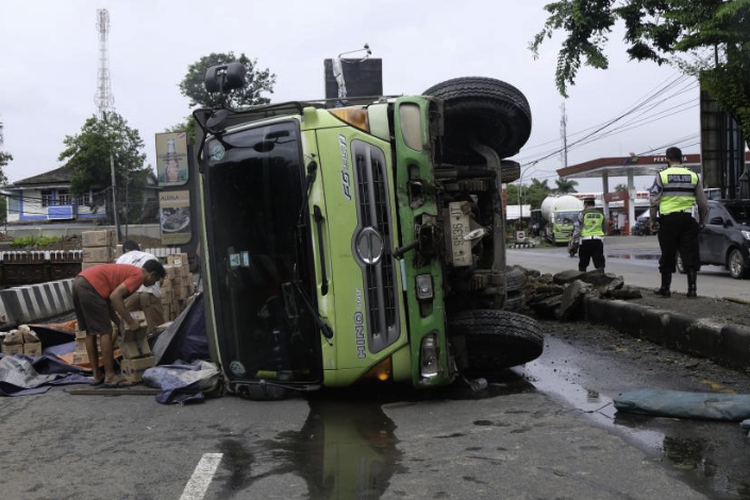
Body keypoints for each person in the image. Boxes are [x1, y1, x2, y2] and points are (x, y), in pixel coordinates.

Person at [72, 260, 166, 386]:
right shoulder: (138, 276)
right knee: (106, 331)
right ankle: (110, 375)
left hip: (80, 282)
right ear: (152, 274)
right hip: (90, 285)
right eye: (154, 281)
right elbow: (115, 297)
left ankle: (97, 375)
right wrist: (131, 322)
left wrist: (120, 323)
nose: (152, 284)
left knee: (90, 331)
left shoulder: (130, 271)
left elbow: (108, 302)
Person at [649, 147, 708, 298]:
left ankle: (665, 288)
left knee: (668, 253)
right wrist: (702, 222)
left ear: (668, 159)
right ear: (682, 159)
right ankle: (692, 290)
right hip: (688, 220)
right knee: (690, 254)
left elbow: (654, 200)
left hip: (668, 220)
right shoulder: (693, 176)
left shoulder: (662, 175)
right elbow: (703, 203)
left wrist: (653, 219)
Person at [116, 240, 164, 336]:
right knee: (156, 328)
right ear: (139, 248)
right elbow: (160, 280)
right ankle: (155, 348)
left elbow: (118, 282)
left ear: (125, 250)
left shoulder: (121, 259)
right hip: (149, 293)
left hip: (130, 294)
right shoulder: (150, 256)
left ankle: (134, 349)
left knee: (128, 328)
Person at [570, 196, 606, 272]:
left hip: (585, 241)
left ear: (585, 204)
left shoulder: (582, 214)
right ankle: (602, 280)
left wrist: (574, 241)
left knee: (583, 263)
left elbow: (577, 229)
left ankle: (582, 281)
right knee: (599, 263)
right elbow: (605, 227)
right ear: (594, 204)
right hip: (598, 241)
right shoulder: (601, 213)